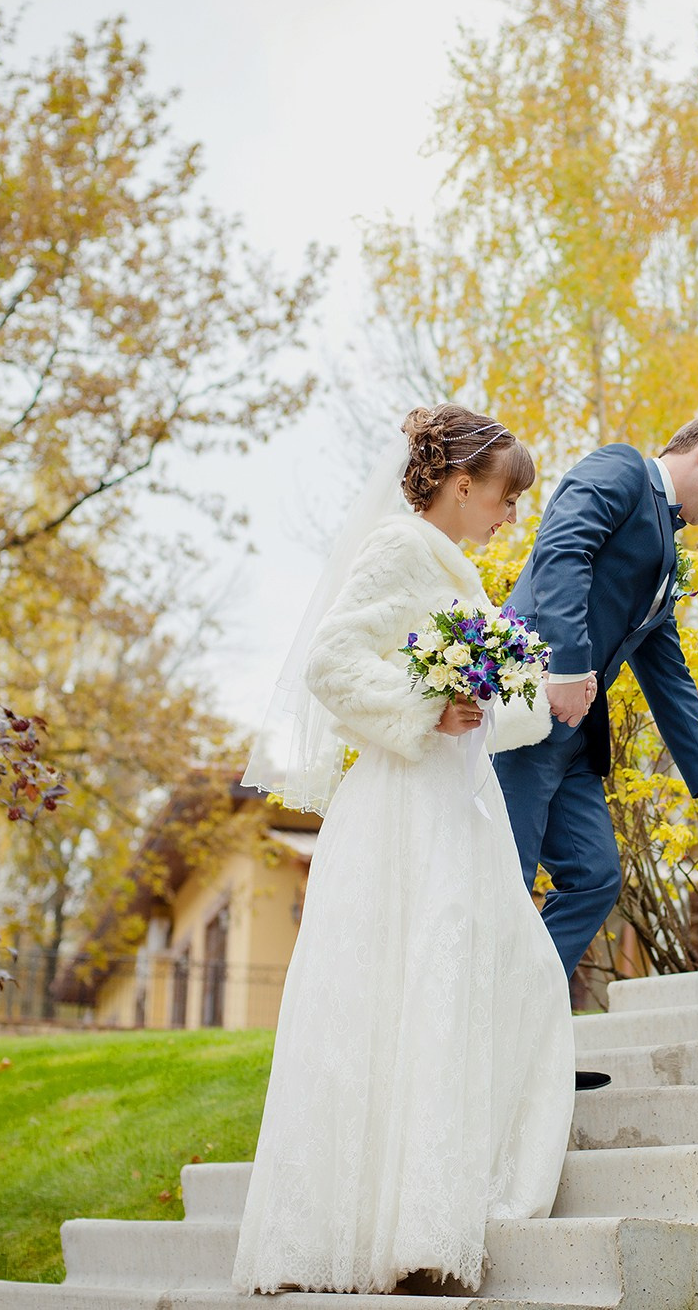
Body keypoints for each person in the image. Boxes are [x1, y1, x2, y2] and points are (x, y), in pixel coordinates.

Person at [232, 405, 571, 1295]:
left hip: (457, 809)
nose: (509, 516)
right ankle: (381, 1231)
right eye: (504, 498)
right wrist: (429, 706)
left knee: (486, 985)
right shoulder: (398, 551)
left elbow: (480, 707)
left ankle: (429, 1219)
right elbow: (332, 663)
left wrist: (523, 696)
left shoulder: (454, 572)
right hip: (400, 814)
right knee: (405, 994)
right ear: (462, 485)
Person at [494, 414, 698, 1007]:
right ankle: (482, 1051)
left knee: (594, 877)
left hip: (574, 739)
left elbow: (669, 678)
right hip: (526, 708)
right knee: (504, 882)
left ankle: (518, 1026)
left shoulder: (670, 557)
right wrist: (565, 668)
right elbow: (561, 549)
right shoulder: (620, 468)